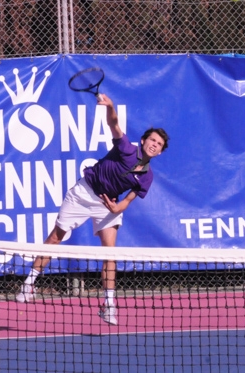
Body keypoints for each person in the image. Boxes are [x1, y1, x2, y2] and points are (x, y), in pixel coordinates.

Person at [15, 93, 169, 326]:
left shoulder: (147, 176)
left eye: (158, 145)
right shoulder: (127, 148)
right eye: (152, 140)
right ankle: (28, 284)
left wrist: (116, 207)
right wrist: (110, 106)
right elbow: (114, 124)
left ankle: (108, 305)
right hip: (83, 192)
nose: (154, 145)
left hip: (107, 205)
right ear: (144, 140)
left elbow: (128, 201)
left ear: (159, 152)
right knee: (55, 238)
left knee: (110, 253)